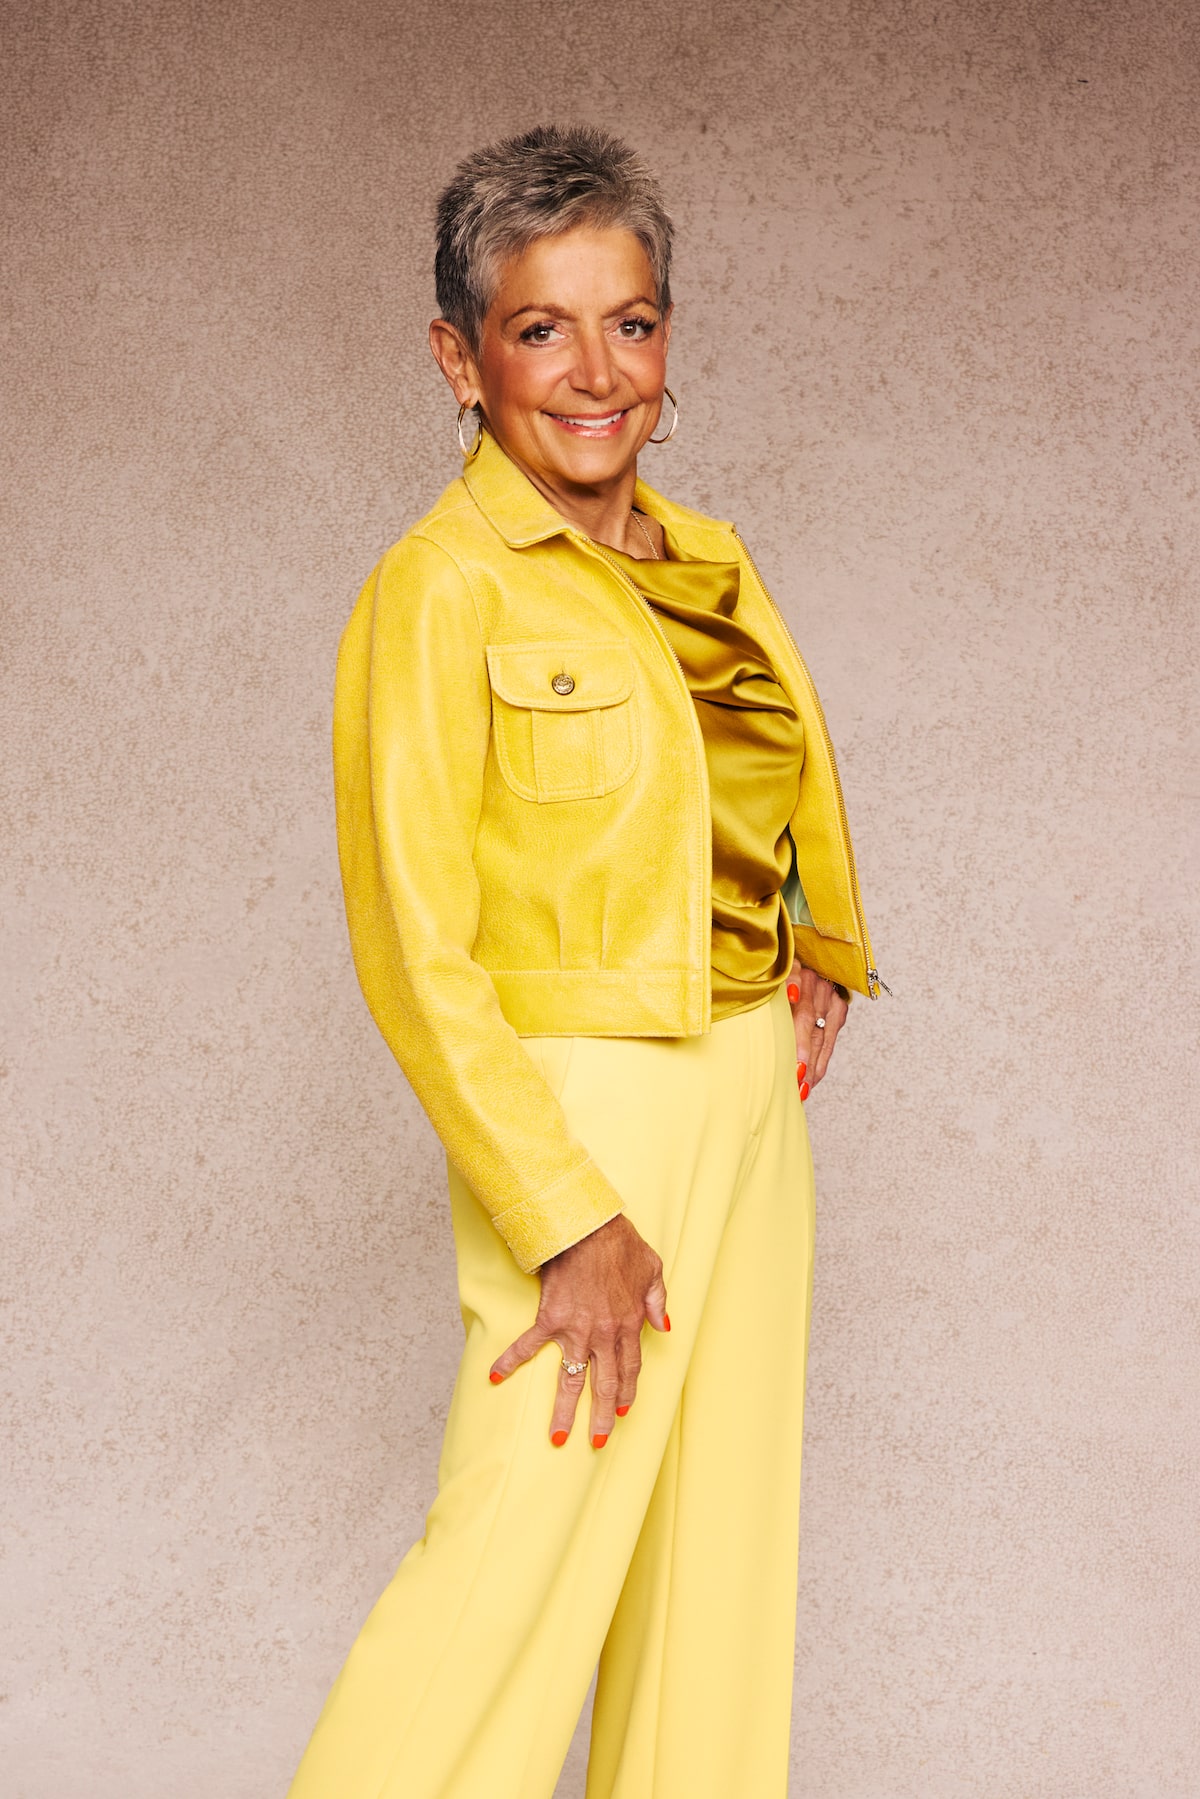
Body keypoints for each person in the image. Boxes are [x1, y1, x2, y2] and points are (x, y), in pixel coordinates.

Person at [286, 123, 883, 1799]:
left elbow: (753, 774)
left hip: (748, 1094)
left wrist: (817, 944)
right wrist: (565, 1214)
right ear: (459, 358)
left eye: (631, 321)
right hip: (583, 1123)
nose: (597, 372)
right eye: (541, 329)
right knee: (510, 1573)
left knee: (715, 1580)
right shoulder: (439, 589)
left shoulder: (710, 560)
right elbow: (413, 946)